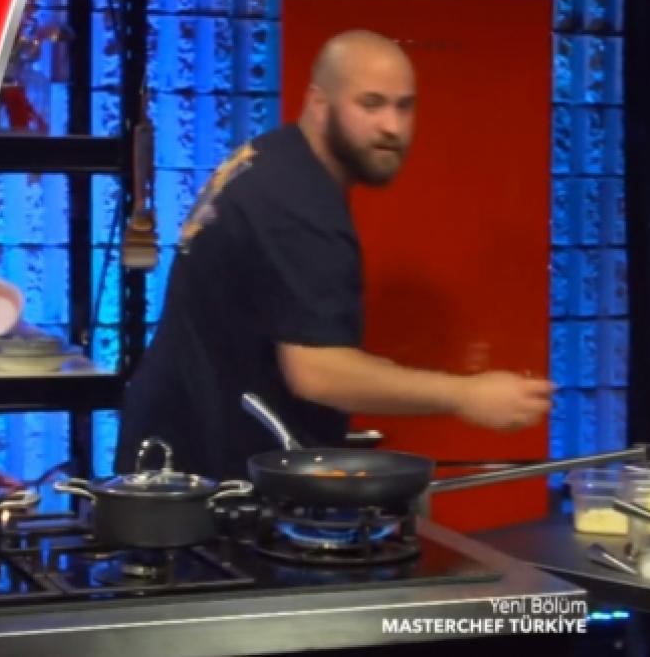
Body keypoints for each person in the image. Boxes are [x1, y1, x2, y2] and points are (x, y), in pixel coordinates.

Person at [115, 30, 554, 480]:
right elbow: (318, 372)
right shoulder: (299, 203)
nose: (392, 126)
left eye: (404, 106)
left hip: (181, 454)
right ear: (319, 103)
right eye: (370, 104)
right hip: (199, 480)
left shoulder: (276, 158)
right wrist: (467, 395)